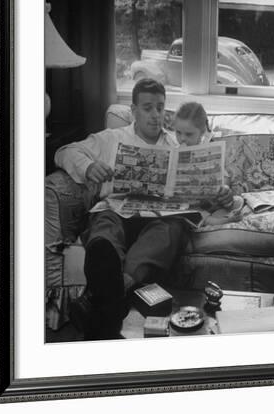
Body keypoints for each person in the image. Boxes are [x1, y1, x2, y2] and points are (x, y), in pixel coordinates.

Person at [54, 79, 189, 340]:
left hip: (156, 219)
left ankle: (108, 293)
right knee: (105, 225)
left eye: (160, 108)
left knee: (172, 228)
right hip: (117, 209)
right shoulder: (111, 138)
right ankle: (114, 291)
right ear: (133, 110)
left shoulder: (175, 146)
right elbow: (63, 152)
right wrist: (89, 168)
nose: (155, 115)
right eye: (148, 108)